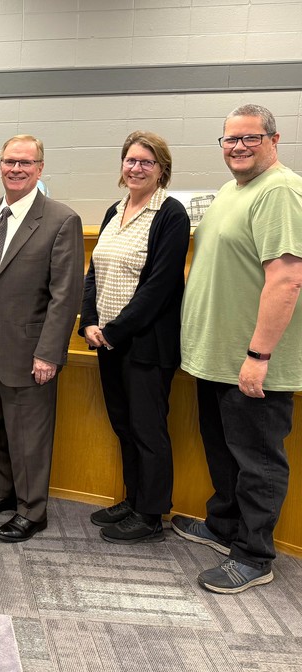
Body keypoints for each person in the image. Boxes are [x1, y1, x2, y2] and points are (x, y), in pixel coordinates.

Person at [175, 103, 302, 594]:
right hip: (217, 357)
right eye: (230, 139)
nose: (239, 147)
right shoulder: (234, 190)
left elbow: (288, 278)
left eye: (250, 138)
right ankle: (224, 525)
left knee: (257, 460)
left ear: (274, 139)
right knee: (224, 450)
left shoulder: (282, 191)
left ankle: (254, 554)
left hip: (252, 361)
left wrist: (259, 355)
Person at [0, 135, 83, 543]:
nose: (16, 169)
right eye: (9, 162)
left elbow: (65, 295)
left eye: (26, 163)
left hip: (30, 348)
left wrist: (49, 353)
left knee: (29, 433)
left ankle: (32, 510)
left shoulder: (60, 219)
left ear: (40, 168)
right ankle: (3, 492)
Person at [80, 132, 190, 544]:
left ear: (162, 169)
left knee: (148, 429)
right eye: (131, 160)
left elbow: (159, 286)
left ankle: (151, 513)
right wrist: (88, 321)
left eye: (146, 162)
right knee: (124, 425)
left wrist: (113, 330)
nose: (136, 168)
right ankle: (133, 498)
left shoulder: (170, 214)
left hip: (146, 344)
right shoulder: (115, 209)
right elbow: (95, 271)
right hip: (108, 341)